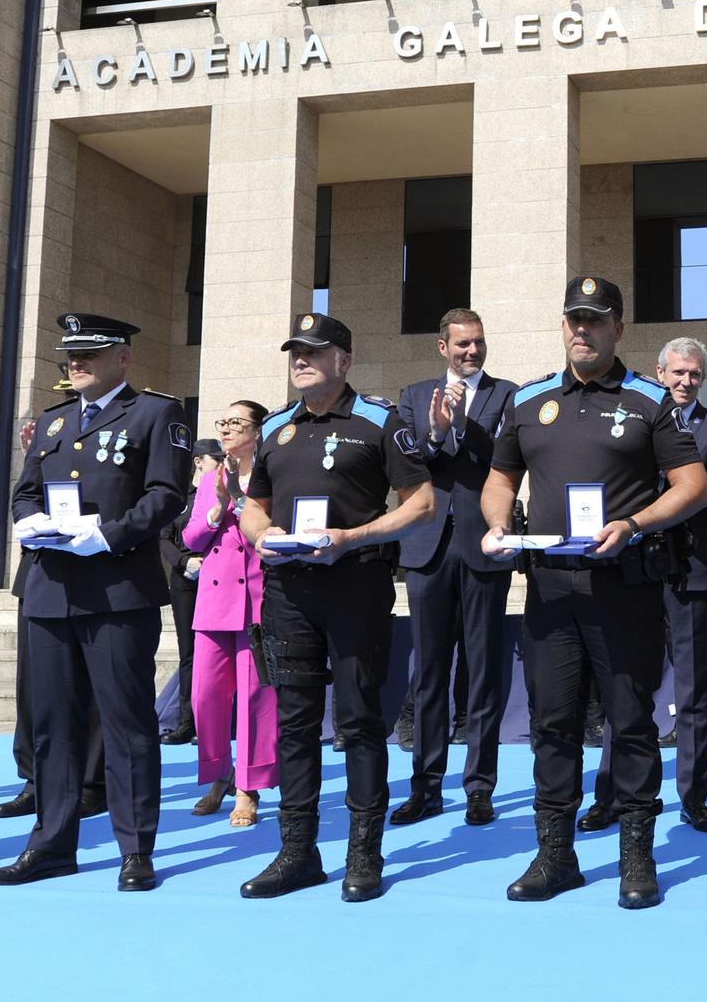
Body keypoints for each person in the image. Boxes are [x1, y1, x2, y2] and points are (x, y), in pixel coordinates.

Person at [482, 276, 707, 909]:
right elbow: (499, 480)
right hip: (550, 589)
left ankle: (637, 855)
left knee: (631, 723)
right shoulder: (527, 402)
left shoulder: (648, 401)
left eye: (596, 320)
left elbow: (693, 484)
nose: (582, 330)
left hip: (624, 587)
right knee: (552, 724)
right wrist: (499, 524)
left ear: (618, 329)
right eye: (573, 320)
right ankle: (555, 855)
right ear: (562, 327)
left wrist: (636, 524)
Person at [0, 312, 190, 893]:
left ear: (123, 358)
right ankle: (52, 842)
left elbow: (166, 494)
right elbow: (24, 492)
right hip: (49, 589)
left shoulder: (155, 413)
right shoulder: (51, 423)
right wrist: (32, 524)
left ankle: (135, 847)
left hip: (116, 590)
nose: (77, 362)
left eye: (90, 353)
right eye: (71, 354)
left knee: (126, 723)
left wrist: (107, 535)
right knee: (51, 725)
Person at [237, 312, 434, 901]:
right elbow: (253, 506)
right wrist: (261, 533)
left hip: (355, 586)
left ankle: (362, 855)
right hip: (288, 593)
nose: (301, 360)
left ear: (343, 360)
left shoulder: (380, 421)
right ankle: (297, 852)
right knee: (294, 725)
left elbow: (421, 503)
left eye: (314, 351)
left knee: (358, 722)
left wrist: (353, 537)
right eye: (295, 351)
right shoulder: (276, 429)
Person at [585, 337, 707, 834]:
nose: (684, 381)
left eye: (694, 374)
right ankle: (609, 794)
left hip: (693, 567)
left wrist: (658, 488)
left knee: (694, 692)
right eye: (676, 372)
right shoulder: (630, 417)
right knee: (625, 687)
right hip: (632, 567)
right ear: (658, 372)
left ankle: (693, 799)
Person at [391, 308, 518, 829]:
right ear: (442, 347)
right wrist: (437, 434)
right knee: (429, 673)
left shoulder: (506, 394)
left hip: (482, 543)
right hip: (426, 548)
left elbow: (503, 461)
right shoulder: (414, 395)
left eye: (479, 343)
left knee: (482, 671)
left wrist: (463, 426)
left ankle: (479, 787)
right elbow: (407, 462)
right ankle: (426, 785)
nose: (471, 352)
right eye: (462, 344)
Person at [0, 379, 106, 823]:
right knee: (35, 689)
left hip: (95, 570)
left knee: (91, 688)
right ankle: (35, 778)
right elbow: (27, 493)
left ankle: (92, 783)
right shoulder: (48, 432)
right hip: (42, 574)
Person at [181, 404, 276, 826]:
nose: (227, 429)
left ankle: (247, 788)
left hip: (258, 596)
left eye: (237, 423)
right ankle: (218, 774)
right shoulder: (209, 477)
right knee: (205, 696)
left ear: (258, 431)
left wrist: (238, 501)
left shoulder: (272, 472)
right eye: (223, 422)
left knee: (255, 697)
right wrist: (217, 508)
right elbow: (191, 536)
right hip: (214, 600)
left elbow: (273, 527)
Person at [158, 440, 221, 745]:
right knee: (190, 652)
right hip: (185, 578)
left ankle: (216, 721)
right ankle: (187, 721)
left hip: (218, 577)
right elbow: (164, 537)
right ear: (198, 461)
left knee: (218, 651)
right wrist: (183, 562)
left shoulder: (224, 490)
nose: (220, 463)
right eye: (214, 458)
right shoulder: (181, 496)